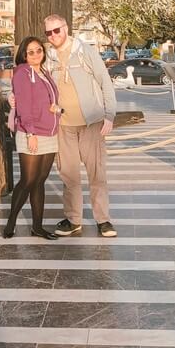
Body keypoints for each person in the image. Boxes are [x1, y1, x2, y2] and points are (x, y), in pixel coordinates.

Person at [44, 15, 118, 238]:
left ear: (66, 28)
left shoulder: (85, 51)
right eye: (48, 32)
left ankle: (103, 220)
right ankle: (73, 219)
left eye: (56, 30)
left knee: (97, 174)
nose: (53, 36)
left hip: (91, 122)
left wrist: (109, 115)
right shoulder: (48, 57)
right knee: (69, 176)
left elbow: (105, 81)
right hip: (63, 125)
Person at [3, 36, 61, 240]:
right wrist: (30, 133)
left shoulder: (44, 72)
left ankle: (37, 227)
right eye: (31, 52)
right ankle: (11, 221)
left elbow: (49, 99)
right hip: (32, 133)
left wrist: (57, 109)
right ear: (24, 55)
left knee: (39, 181)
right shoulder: (22, 73)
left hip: (50, 132)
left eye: (39, 50)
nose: (36, 54)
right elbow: (25, 105)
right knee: (28, 180)